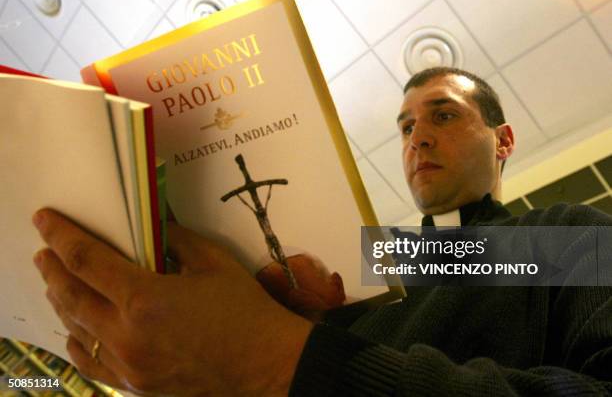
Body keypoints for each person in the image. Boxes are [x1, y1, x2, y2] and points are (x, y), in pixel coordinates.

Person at [31, 67, 612, 396]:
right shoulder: (369, 264)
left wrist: (271, 357)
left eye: (443, 114)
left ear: (503, 141)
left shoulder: (568, 234)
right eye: (406, 126)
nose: (417, 139)